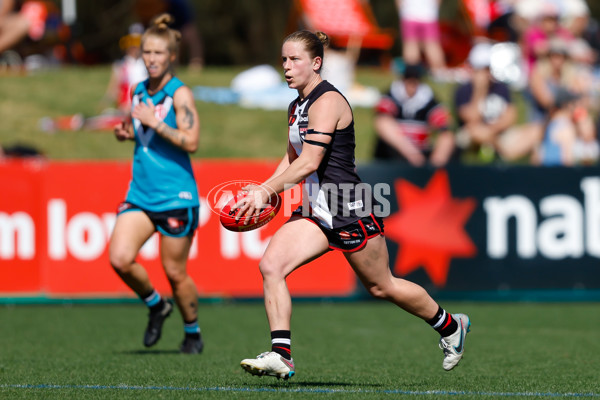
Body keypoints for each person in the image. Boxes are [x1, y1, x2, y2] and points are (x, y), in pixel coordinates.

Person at [236, 30, 470, 380]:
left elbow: (311, 161)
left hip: (348, 208)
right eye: (283, 59)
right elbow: (292, 158)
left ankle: (452, 326)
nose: (286, 66)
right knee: (271, 266)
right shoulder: (296, 105)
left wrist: (267, 190)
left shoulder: (327, 101)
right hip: (315, 209)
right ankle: (281, 354)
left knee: (382, 286)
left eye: (294, 59)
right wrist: (266, 190)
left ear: (315, 63)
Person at [109, 13, 203, 354]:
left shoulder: (180, 95)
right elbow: (141, 132)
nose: (150, 59)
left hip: (176, 196)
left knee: (175, 273)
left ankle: (192, 332)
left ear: (172, 56)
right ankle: (155, 305)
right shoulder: (137, 90)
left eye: (158, 53)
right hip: (141, 193)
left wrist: (155, 124)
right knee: (120, 258)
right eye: (146, 52)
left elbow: (191, 141)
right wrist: (128, 133)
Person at [373, 63, 455, 166]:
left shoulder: (428, 98)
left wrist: (438, 158)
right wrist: (411, 152)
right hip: (393, 151)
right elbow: (382, 121)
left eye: (415, 82)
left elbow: (445, 126)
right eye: (409, 81)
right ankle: (413, 156)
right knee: (383, 123)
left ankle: (434, 170)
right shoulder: (391, 95)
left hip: (422, 149)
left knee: (448, 138)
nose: (412, 86)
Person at [454, 42, 519, 162]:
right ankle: (502, 152)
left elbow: (511, 116)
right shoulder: (463, 91)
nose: (484, 74)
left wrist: (490, 130)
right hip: (473, 134)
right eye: (480, 70)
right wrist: (480, 91)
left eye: (486, 69)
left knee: (535, 131)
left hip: (496, 132)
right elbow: (471, 119)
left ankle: (494, 146)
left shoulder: (501, 88)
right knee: (474, 131)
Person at [395, 0, 446, 75]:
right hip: (429, 15)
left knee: (411, 45)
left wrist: (401, 11)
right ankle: (439, 73)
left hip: (409, 13)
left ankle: (412, 74)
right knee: (432, 45)